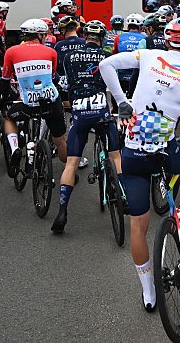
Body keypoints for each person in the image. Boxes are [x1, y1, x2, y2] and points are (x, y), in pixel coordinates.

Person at [99, 17, 180, 312]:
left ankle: (149, 291)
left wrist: (122, 101)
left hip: (133, 152)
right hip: (167, 150)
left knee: (138, 228)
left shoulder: (148, 55)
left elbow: (106, 66)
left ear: (167, 40)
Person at [51, 20, 121, 234]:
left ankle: (62, 210)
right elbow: (113, 84)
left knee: (71, 163)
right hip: (101, 110)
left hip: (80, 112)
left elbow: (62, 83)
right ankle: (124, 196)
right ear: (101, 38)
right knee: (116, 156)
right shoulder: (106, 57)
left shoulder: (70, 56)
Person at [1, 19, 68, 178]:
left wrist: (5, 100)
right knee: (59, 139)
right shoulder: (51, 52)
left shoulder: (11, 51)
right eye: (44, 35)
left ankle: (15, 147)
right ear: (39, 35)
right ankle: (69, 169)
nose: (45, 37)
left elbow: (5, 80)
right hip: (51, 102)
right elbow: (51, 77)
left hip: (28, 104)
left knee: (7, 117)